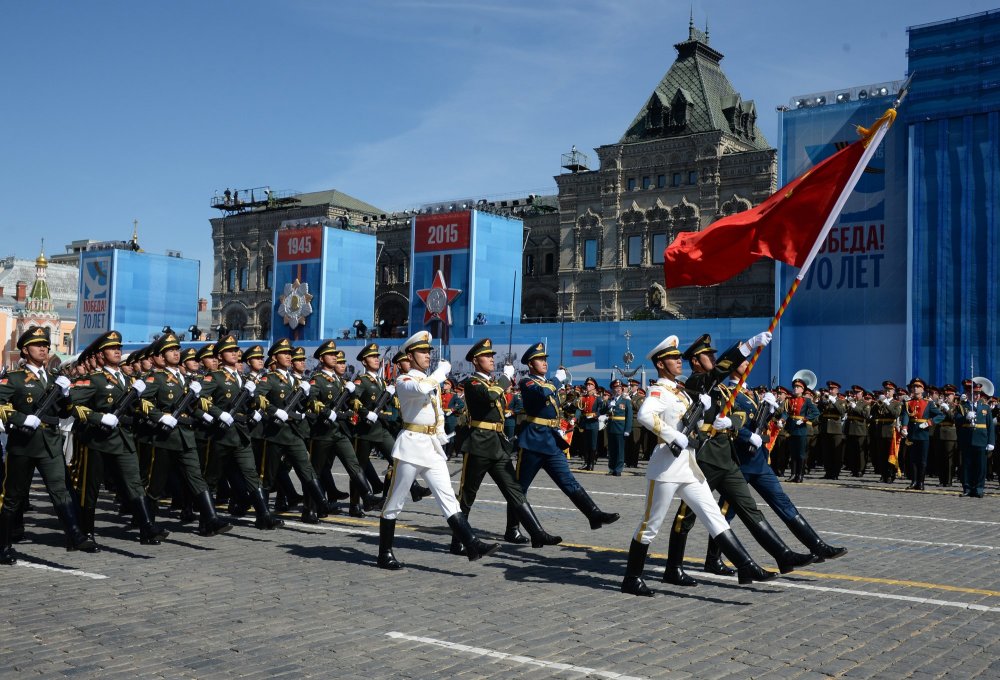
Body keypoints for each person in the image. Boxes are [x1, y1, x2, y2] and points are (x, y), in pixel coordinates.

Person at [621, 335, 775, 597]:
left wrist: (703, 413)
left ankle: (745, 566)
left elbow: (693, 415)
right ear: (660, 364)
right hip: (666, 468)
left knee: (713, 516)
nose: (678, 362)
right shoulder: (659, 390)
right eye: (672, 358)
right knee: (651, 524)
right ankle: (632, 578)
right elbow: (645, 415)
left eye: (678, 357)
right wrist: (672, 435)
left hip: (689, 466)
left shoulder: (679, 391)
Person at [665, 333, 813, 587]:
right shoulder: (697, 381)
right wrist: (746, 347)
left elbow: (736, 416)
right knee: (685, 516)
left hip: (726, 457)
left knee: (748, 507)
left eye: (713, 354)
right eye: (707, 355)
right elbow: (720, 371)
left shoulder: (720, 388)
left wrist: (730, 422)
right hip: (704, 458)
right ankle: (673, 567)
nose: (712, 357)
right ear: (696, 361)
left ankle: (781, 554)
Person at [377, 331, 500, 570]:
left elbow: (437, 410)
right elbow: (422, 389)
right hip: (411, 447)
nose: (427, 355)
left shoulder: (428, 380)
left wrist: (441, 432)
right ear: (410, 356)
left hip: (431, 448)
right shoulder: (404, 381)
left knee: (448, 499)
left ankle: (471, 543)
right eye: (423, 352)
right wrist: (440, 373)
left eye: (428, 352)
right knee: (395, 502)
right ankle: (385, 554)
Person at [722, 359, 847, 562]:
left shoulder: (751, 393)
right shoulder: (726, 393)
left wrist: (769, 410)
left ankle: (818, 546)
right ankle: (713, 558)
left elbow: (755, 422)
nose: (747, 363)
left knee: (783, 502)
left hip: (759, 461)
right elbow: (729, 424)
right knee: (727, 510)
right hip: (739, 461)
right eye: (742, 361)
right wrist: (747, 435)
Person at [452, 338, 561, 553]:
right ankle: (458, 541)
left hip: (498, 445)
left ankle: (537, 532)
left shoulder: (492, 382)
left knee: (515, 490)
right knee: (467, 495)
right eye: (487, 356)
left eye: (493, 355)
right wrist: (506, 377)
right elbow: (490, 397)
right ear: (475, 361)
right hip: (479, 445)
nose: (492, 359)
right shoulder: (472, 383)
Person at [0, 327, 98, 564]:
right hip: (23, 445)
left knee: (59, 489)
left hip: (50, 441)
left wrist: (64, 394)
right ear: (25, 350)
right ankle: (3, 545)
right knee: (13, 496)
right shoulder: (13, 379)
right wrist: (22, 419)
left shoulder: (55, 379)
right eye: (37, 345)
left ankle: (75, 534)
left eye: (46, 344)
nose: (44, 348)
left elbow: (65, 411)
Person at [68, 330, 169, 546]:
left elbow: (138, 406)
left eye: (119, 348)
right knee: (90, 487)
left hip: (123, 437)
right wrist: (98, 417)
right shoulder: (93, 379)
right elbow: (71, 405)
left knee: (134, 483)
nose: (117, 351)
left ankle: (147, 527)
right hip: (97, 439)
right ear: (101, 354)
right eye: (112, 348)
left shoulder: (129, 380)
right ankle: (86, 532)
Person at [515, 342, 619, 532]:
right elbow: (542, 393)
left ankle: (593, 514)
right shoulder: (527, 382)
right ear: (530, 364)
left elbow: (552, 407)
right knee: (519, 489)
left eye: (545, 359)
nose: (544, 362)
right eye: (540, 359)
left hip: (551, 440)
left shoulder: (548, 383)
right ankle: (512, 529)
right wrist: (557, 380)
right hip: (533, 441)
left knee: (568, 480)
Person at [144, 332, 233, 536]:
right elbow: (142, 402)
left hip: (186, 434)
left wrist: (208, 412)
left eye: (177, 350)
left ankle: (210, 518)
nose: (176, 353)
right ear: (161, 354)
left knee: (196, 477)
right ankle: (146, 524)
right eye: (171, 350)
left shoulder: (184, 379)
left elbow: (193, 405)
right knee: (156, 484)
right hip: (165, 437)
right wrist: (160, 416)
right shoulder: (155, 377)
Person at [202, 335, 283, 529]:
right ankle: (206, 520)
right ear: (220, 356)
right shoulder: (214, 377)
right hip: (221, 435)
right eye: (230, 350)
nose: (235, 353)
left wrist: (255, 405)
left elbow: (253, 402)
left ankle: (263, 516)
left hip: (241, 433)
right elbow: (201, 399)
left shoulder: (244, 379)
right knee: (212, 478)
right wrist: (218, 414)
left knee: (251, 474)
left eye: (236, 350)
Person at [253, 339, 338, 523]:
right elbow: (257, 396)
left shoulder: (295, 380)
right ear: (275, 357)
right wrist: (275, 411)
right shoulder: (270, 378)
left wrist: (309, 398)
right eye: (285, 353)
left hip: (294, 433)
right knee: (268, 476)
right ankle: (263, 515)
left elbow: (306, 404)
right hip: (275, 434)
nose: (289, 357)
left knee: (307, 469)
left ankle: (321, 503)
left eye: (290, 354)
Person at [305, 341, 382, 518]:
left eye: (336, 355)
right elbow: (311, 400)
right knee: (315, 471)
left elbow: (352, 402)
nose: (335, 357)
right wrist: (325, 411)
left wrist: (352, 402)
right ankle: (309, 509)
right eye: (331, 355)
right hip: (322, 433)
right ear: (322, 358)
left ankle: (368, 496)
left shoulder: (341, 381)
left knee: (353, 464)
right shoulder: (317, 379)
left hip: (340, 431)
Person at [900, 378, 944, 491]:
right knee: (913, 459)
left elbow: (940, 415)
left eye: (917, 387)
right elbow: (905, 415)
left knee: (922, 460)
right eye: (913, 387)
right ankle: (914, 481)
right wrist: (904, 427)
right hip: (912, 433)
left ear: (922, 389)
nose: (915, 388)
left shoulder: (928, 403)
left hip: (923, 433)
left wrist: (929, 422)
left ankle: (921, 482)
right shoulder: (908, 402)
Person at [955, 379, 994, 497]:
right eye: (973, 394)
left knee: (980, 466)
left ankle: (979, 488)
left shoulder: (985, 408)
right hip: (967, 440)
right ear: (967, 394)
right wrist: (965, 417)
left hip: (981, 440)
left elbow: (990, 426)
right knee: (967, 465)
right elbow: (956, 420)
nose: (976, 396)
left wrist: (991, 442)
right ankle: (967, 488)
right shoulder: (962, 407)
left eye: (978, 394)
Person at [783, 378, 819, 483]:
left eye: (798, 387)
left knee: (801, 454)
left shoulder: (806, 400)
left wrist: (805, 419)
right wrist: (782, 419)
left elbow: (816, 412)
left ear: (802, 390)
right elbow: (786, 412)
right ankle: (793, 474)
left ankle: (800, 475)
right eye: (794, 387)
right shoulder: (789, 400)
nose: (795, 388)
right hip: (792, 429)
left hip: (801, 429)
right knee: (793, 453)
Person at [817, 380, 847, 480]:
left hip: (836, 429)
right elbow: (819, 410)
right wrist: (822, 401)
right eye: (829, 389)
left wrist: (833, 401)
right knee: (826, 453)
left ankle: (835, 473)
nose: (830, 390)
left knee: (836, 453)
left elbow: (842, 412)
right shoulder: (825, 399)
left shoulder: (841, 401)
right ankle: (828, 472)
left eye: (832, 389)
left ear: (837, 390)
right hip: (825, 429)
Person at [575, 377, 605, 471]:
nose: (588, 386)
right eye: (587, 385)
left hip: (593, 423)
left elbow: (602, 409)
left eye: (590, 385)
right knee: (585, 444)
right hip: (585, 422)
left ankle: (591, 464)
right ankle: (586, 463)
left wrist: (596, 414)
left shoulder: (597, 398)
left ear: (594, 386)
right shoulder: (583, 397)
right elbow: (579, 409)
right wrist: (575, 418)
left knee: (592, 444)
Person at [604, 379, 633, 476]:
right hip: (611, 427)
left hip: (621, 428)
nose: (618, 390)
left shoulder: (626, 401)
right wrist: (608, 406)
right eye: (616, 388)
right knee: (612, 450)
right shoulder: (610, 401)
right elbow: (603, 411)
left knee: (620, 450)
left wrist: (627, 429)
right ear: (613, 389)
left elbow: (629, 416)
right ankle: (611, 468)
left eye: (620, 388)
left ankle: (618, 469)